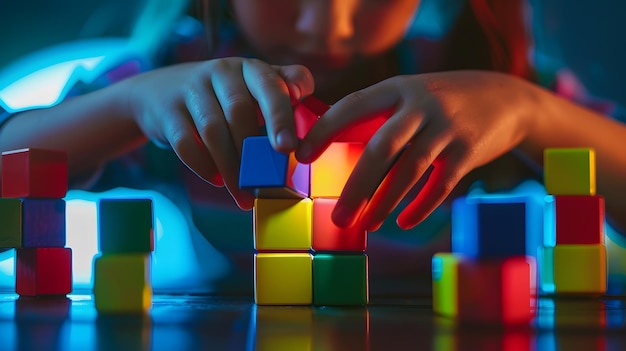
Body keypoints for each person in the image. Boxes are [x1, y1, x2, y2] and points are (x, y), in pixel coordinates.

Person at [1, 0, 625, 296]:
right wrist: (127, 104)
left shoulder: (480, 73)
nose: (329, 25)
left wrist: (536, 113)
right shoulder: (177, 77)